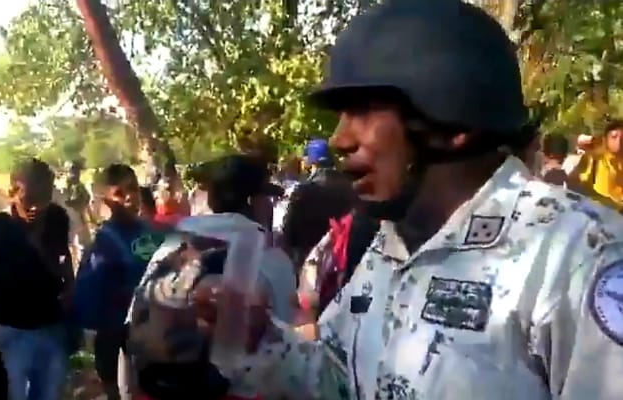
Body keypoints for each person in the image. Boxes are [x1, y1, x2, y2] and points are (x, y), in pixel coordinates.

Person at [193, 2, 623, 399]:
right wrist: (261, 341)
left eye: (363, 111)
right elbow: (337, 379)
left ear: (453, 122)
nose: (339, 139)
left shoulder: (578, 255)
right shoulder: (390, 246)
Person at [126, 154, 296, 399]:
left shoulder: (175, 242)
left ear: (212, 199)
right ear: (254, 201)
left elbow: (136, 316)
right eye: (266, 198)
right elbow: (283, 346)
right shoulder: (272, 260)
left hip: (159, 385)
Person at [0, 158, 74, 400]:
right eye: (31, 199)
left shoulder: (57, 218)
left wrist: (70, 288)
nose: (37, 207)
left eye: (44, 198)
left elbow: (63, 256)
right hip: (9, 331)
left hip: (51, 327)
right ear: (12, 191)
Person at [73, 164, 165, 400]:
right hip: (115, 329)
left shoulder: (152, 232)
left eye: (133, 189)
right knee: (120, 388)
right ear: (106, 200)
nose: (129, 198)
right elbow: (90, 294)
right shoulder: (104, 242)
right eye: (119, 193)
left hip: (154, 329)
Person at [570, 120, 623, 209]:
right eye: (614, 137)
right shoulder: (593, 159)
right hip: (596, 210)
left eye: (622, 138)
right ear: (606, 139)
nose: (619, 141)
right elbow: (574, 183)